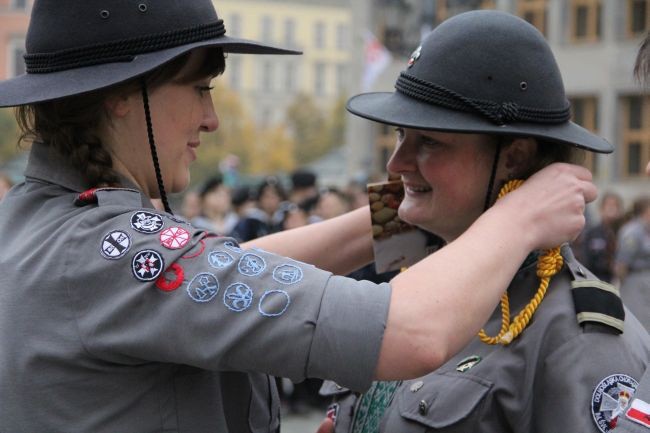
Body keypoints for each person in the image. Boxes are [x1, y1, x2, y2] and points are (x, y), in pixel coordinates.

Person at [0, 2, 597, 432]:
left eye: (429, 142)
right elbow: (411, 333)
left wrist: (410, 205)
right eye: (200, 88)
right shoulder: (115, 250)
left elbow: (230, 272)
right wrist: (522, 213)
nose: (211, 120)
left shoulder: (35, 225)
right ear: (124, 94)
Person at [319, 11, 650, 433]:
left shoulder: (574, 332)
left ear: (513, 156)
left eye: (430, 142)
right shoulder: (419, 264)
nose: (395, 162)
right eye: (401, 135)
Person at [581, 191, 624, 283]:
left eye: (615, 205)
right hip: (599, 280)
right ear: (601, 208)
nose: (611, 209)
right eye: (608, 205)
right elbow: (586, 260)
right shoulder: (592, 233)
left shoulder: (623, 232)